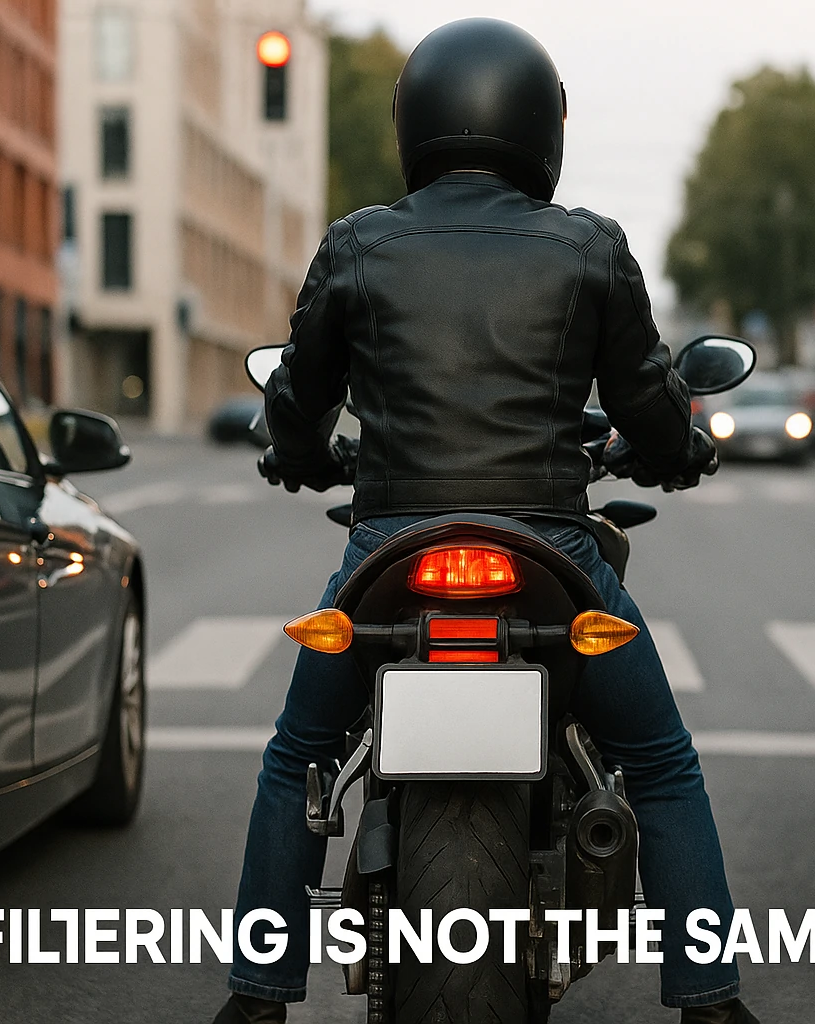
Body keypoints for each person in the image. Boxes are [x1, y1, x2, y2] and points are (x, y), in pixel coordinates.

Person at [212, 18, 755, 1024]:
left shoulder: (358, 242)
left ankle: (256, 997)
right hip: (554, 549)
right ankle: (710, 1000)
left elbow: (298, 398)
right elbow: (649, 404)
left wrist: (295, 458)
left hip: (390, 549)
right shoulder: (590, 245)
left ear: (413, 119)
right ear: (540, 126)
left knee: (300, 755)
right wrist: (683, 453)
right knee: (661, 760)